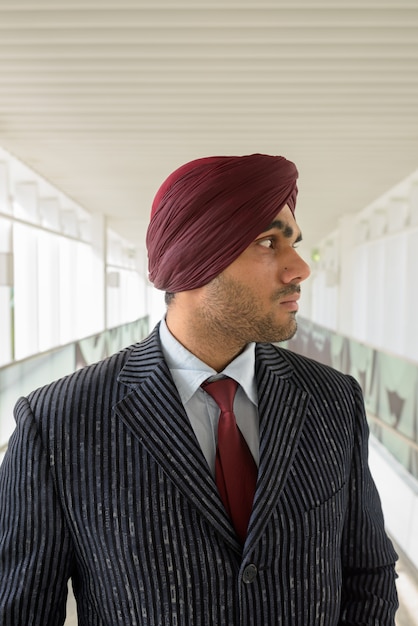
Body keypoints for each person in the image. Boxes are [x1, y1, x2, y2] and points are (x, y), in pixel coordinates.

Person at [0, 153, 398, 625]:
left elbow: (367, 575)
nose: (300, 269)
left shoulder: (333, 400)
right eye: (269, 242)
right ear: (195, 259)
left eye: (295, 244)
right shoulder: (58, 421)